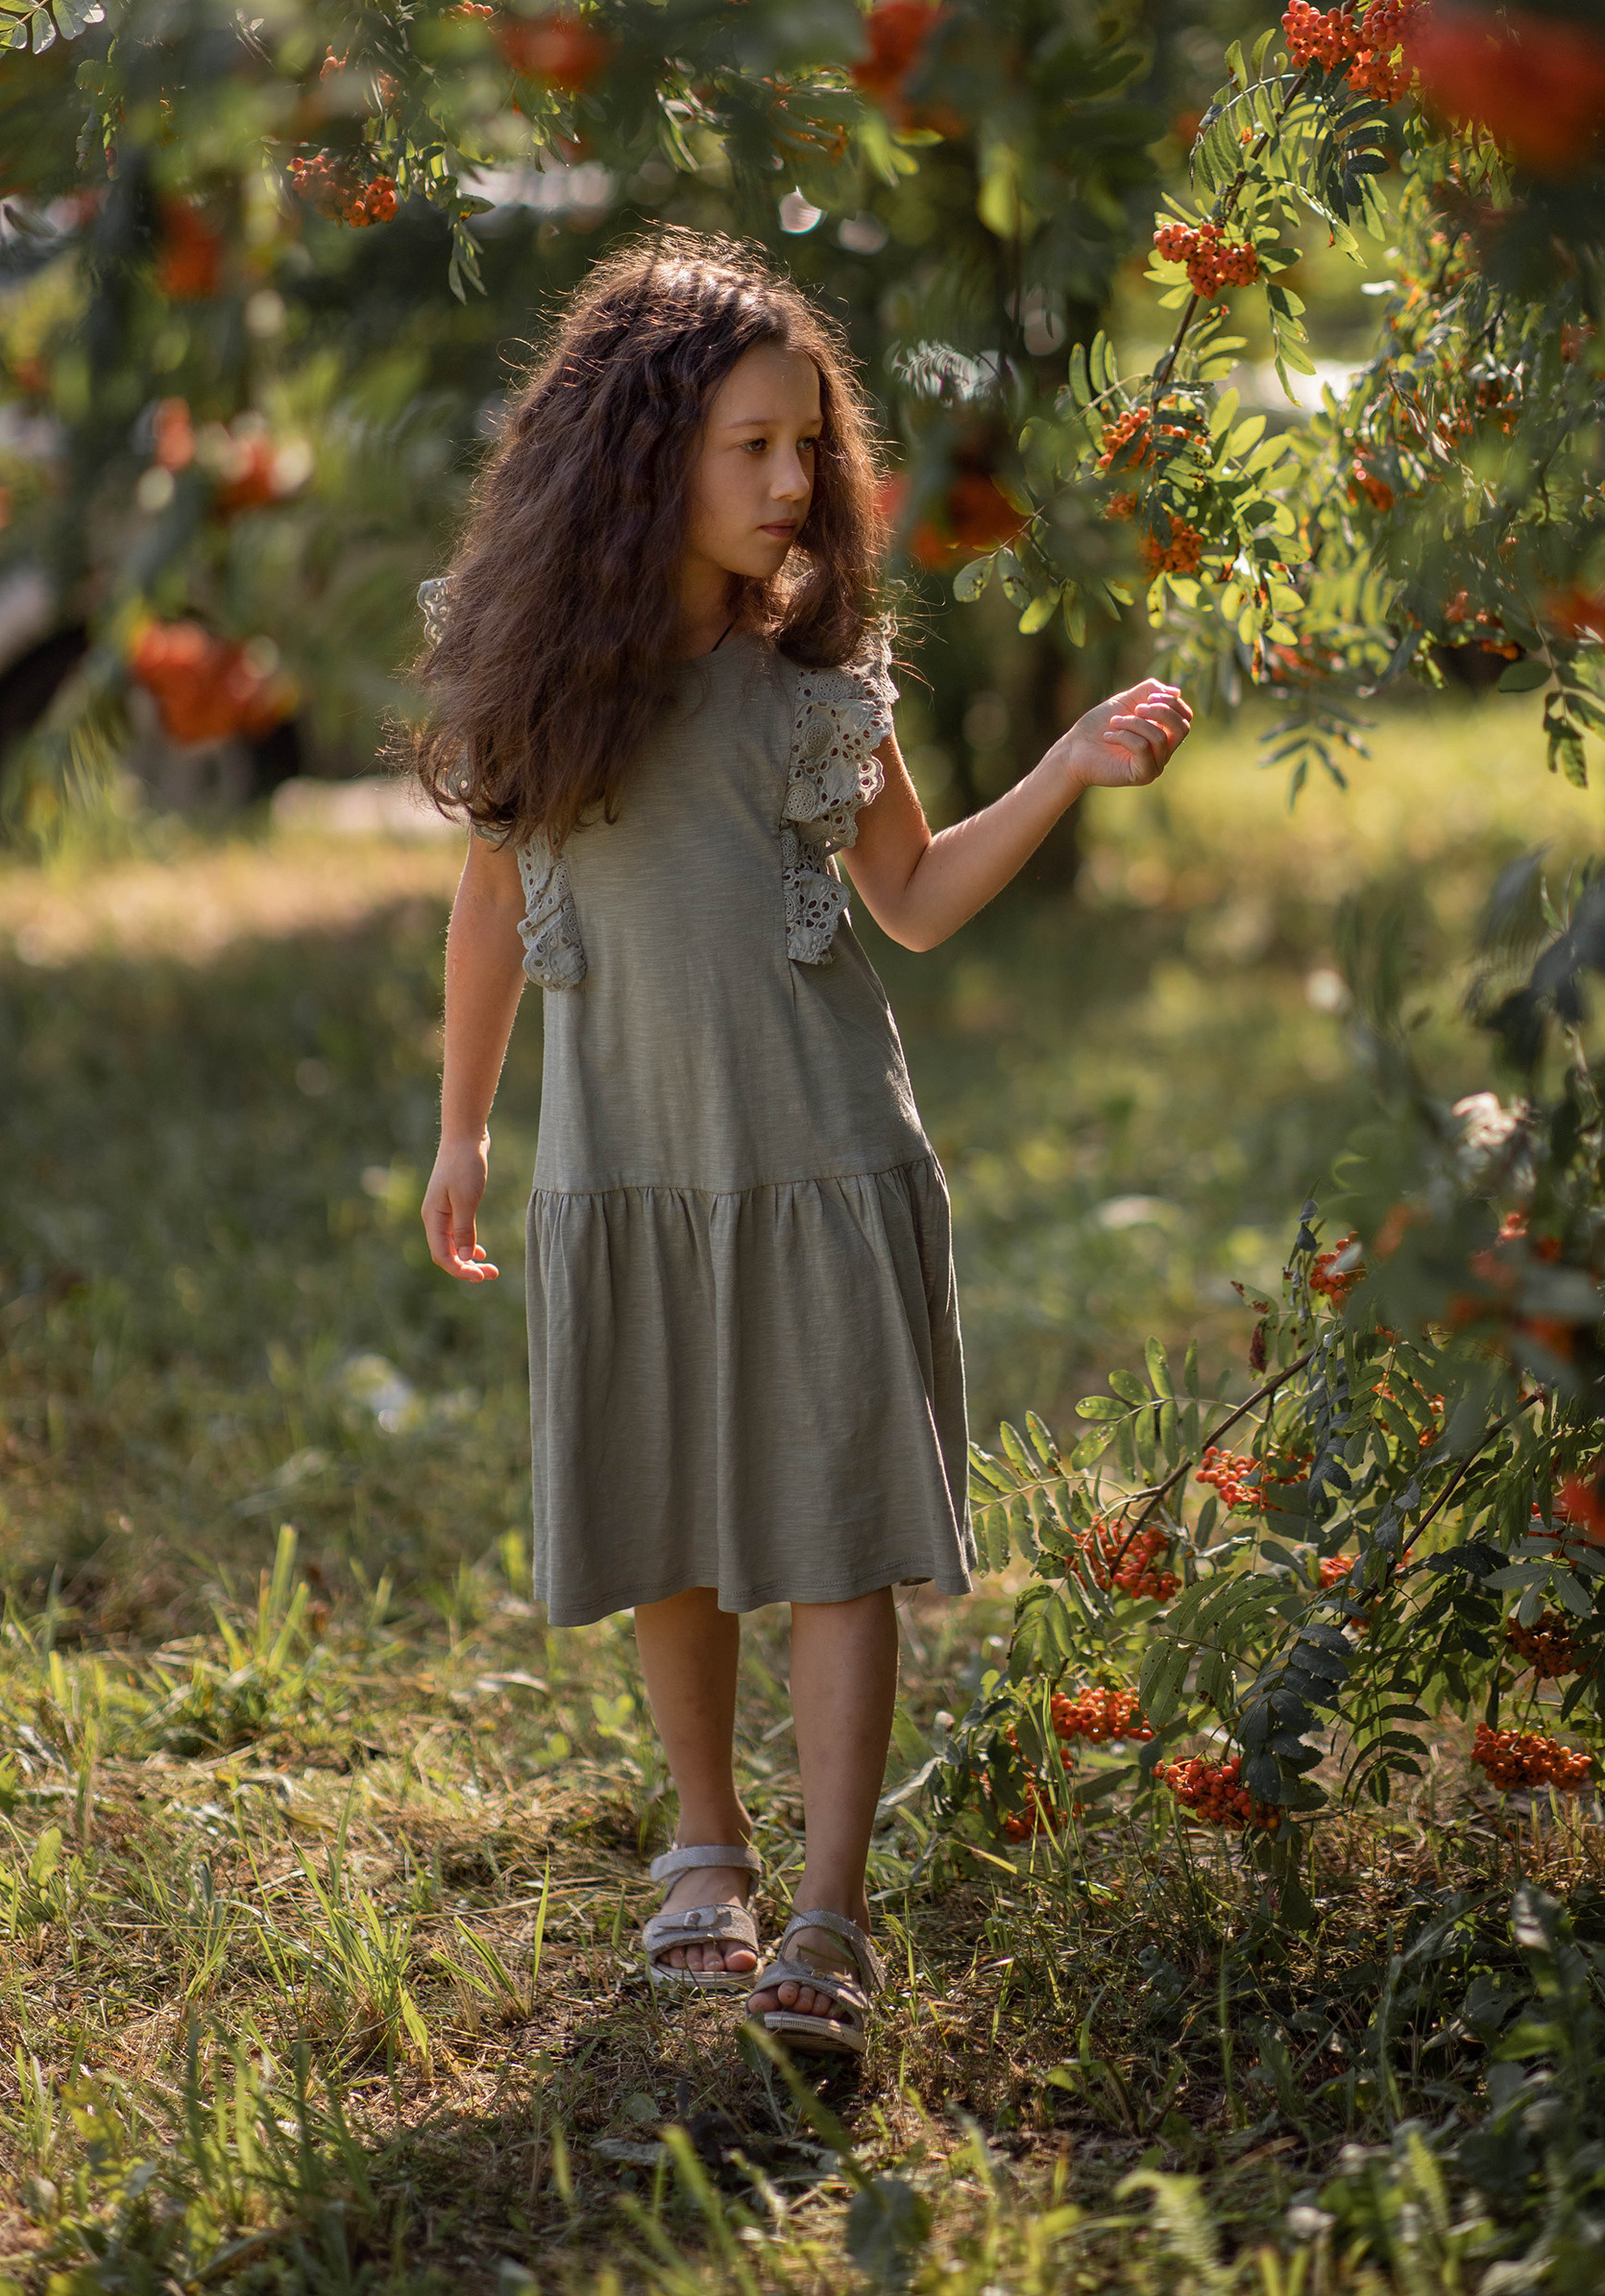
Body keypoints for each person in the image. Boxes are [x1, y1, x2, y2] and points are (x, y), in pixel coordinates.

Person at [414, 230, 1190, 2057]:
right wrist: (459, 1128)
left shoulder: (817, 692)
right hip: (627, 1175)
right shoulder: (545, 692)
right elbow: (487, 910)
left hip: (824, 1166)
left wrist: (1067, 764)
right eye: (751, 447)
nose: (792, 483)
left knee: (836, 1535)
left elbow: (910, 901)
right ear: (643, 459)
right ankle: (709, 1850)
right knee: (669, 1520)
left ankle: (829, 1914)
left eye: (805, 447)